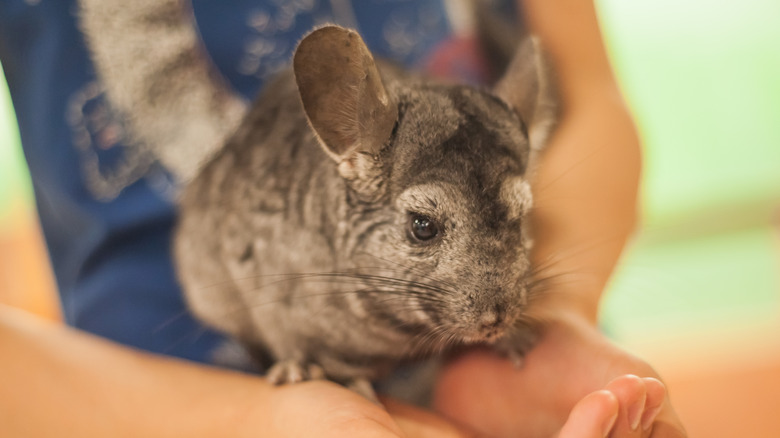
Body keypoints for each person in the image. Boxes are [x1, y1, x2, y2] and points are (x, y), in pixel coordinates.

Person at [0, 0, 687, 436]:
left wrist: (547, 324)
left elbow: (587, 89)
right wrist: (255, 422)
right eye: (424, 224)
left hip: (509, 399)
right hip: (134, 406)